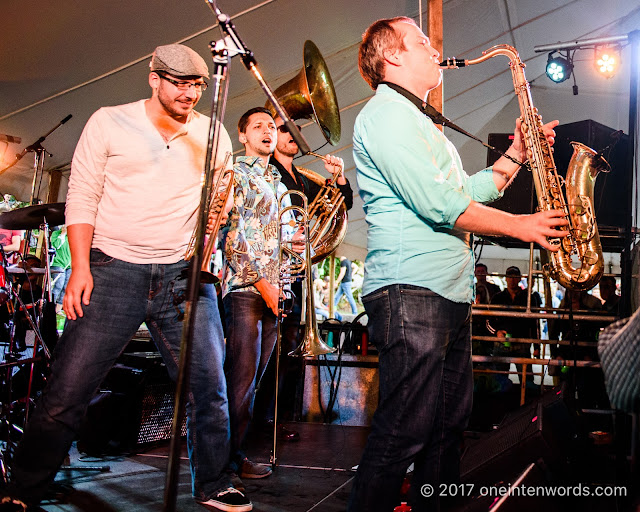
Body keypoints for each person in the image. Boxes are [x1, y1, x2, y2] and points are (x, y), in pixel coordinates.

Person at [2, 44, 252, 512]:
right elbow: (82, 197)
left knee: (208, 388)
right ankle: (23, 490)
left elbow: (217, 199)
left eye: (197, 84)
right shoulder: (109, 120)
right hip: (112, 269)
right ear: (153, 78)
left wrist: (206, 251)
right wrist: (79, 269)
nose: (190, 92)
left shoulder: (211, 130)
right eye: (179, 82)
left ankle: (215, 483)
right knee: (68, 390)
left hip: (182, 275)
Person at [349, 17, 568, 511]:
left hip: (445, 294)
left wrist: (516, 155)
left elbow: (460, 192)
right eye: (422, 41)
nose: (433, 49)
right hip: (411, 292)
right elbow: (438, 204)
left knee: (446, 434)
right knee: (403, 432)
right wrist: (524, 226)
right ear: (394, 57)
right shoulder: (384, 116)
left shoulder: (420, 123)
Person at [220, 107, 290, 482]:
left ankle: (235, 455)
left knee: (254, 383)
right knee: (240, 381)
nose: (269, 131)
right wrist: (264, 285)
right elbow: (232, 238)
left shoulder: (279, 184)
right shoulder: (235, 172)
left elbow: (288, 239)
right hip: (247, 290)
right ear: (243, 135)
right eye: (258, 126)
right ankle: (223, 462)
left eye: (272, 127)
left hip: (275, 293)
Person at [489, 266, 542, 389]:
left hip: (522, 343)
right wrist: (496, 333)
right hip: (502, 343)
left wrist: (537, 346)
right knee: (498, 380)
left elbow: (534, 322)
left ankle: (527, 405)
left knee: (526, 380)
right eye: (510, 277)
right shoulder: (497, 297)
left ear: (519, 279)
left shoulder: (528, 297)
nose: (512, 280)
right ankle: (501, 405)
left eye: (514, 277)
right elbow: (489, 320)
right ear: (506, 279)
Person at [50, 225, 71, 313]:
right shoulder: (55, 234)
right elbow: (56, 246)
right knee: (59, 284)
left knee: (66, 287)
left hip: (69, 264)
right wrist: (63, 234)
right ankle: (50, 307)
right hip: (57, 263)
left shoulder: (72, 236)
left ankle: (58, 309)